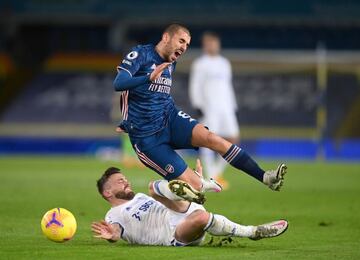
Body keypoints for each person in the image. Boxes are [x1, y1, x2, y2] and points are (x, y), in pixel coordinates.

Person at [113, 23, 287, 204]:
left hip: (169, 117)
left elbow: (155, 95)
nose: (184, 47)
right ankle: (156, 187)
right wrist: (148, 78)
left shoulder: (171, 63)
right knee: (193, 187)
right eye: (181, 41)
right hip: (147, 137)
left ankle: (266, 177)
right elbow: (119, 83)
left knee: (213, 138)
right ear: (166, 37)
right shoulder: (141, 54)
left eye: (187, 45)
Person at [91, 163, 289, 246]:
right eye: (120, 181)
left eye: (125, 179)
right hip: (173, 232)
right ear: (107, 193)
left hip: (181, 209)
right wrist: (113, 236)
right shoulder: (113, 215)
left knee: (152, 187)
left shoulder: (139, 196)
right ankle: (253, 232)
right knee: (201, 217)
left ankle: (195, 187)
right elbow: (116, 232)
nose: (126, 182)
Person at [189, 31, 239, 189]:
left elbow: (228, 86)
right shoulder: (200, 63)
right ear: (205, 45)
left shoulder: (224, 63)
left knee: (233, 138)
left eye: (214, 42)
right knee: (208, 140)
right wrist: (197, 104)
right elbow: (195, 85)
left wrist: (233, 105)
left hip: (226, 107)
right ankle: (211, 175)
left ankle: (216, 173)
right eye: (209, 43)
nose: (212, 45)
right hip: (209, 107)